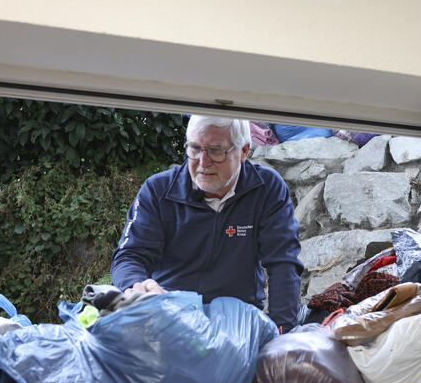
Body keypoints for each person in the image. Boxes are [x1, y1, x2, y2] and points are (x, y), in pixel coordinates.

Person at [111, 115, 304, 331]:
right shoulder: (158, 190)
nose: (203, 163)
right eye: (194, 149)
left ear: (244, 151)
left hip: (238, 322)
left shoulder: (267, 188)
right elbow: (130, 255)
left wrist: (282, 334)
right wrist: (137, 285)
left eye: (216, 151)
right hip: (169, 317)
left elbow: (283, 263)